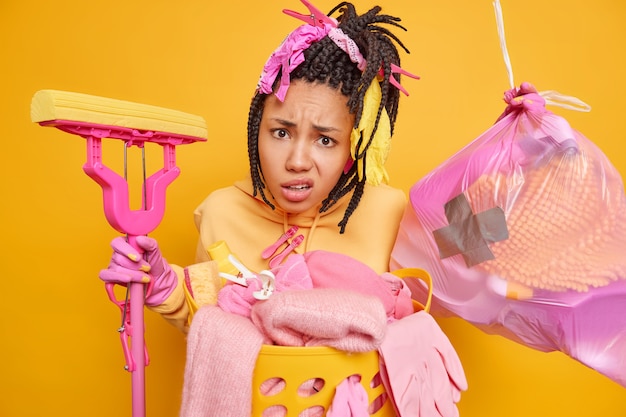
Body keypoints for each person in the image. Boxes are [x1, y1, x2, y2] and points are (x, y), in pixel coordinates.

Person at [100, 0, 418, 333]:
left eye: (325, 140)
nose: (296, 162)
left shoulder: (391, 213)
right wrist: (166, 288)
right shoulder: (220, 212)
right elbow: (213, 329)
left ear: (352, 148)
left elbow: (441, 287)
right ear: (257, 129)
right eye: (281, 132)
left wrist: (473, 224)